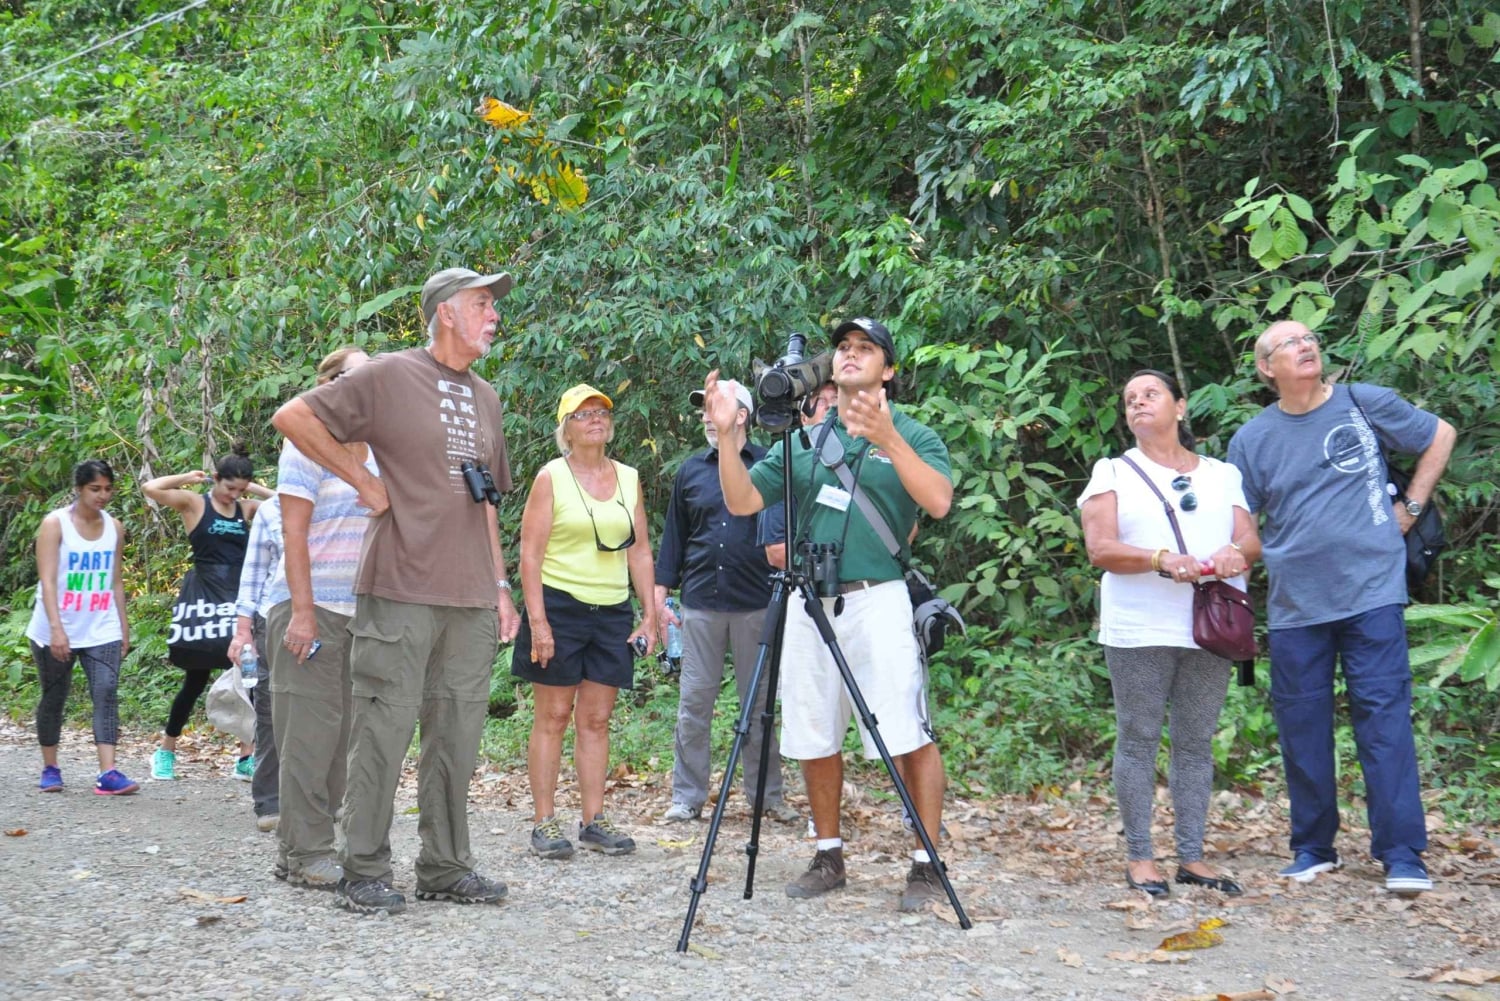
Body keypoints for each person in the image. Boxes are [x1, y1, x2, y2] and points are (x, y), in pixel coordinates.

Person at [273, 268, 521, 915]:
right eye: (482, 303)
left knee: (457, 734)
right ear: (445, 312)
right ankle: (364, 866)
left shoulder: (488, 398)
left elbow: (487, 499)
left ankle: (444, 864)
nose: (493, 314)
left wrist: (500, 585)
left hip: (467, 597)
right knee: (383, 728)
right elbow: (295, 416)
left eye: (493, 304)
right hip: (399, 586)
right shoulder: (388, 374)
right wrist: (362, 478)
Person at [705, 316, 954, 913]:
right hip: (809, 601)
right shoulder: (803, 440)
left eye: (865, 349)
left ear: (888, 370)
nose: (849, 355)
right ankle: (828, 853)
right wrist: (726, 442)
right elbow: (742, 500)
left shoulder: (916, 435)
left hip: (879, 598)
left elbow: (939, 502)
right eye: (842, 347)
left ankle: (925, 861)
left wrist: (889, 439)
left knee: (905, 729)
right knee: (815, 729)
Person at [1227, 320, 1456, 895]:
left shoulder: (1363, 403)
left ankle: (1402, 855)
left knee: (1384, 723)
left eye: (1308, 339)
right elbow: (1244, 527)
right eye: (1289, 344)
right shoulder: (1251, 440)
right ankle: (1313, 847)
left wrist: (1411, 504)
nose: (1305, 347)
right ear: (1265, 369)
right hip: (1295, 605)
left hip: (1372, 593)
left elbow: (1440, 435)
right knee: (1302, 728)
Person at [1078, 369, 1262, 897]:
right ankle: (1140, 856)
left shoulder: (1222, 473)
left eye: (1150, 394)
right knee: (1138, 738)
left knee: (1195, 742)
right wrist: (1162, 559)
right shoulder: (1112, 471)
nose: (1138, 403)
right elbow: (1101, 549)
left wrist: (1235, 553)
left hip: (1212, 626)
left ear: (1180, 407)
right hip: (1140, 628)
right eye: (1130, 399)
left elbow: (1250, 539)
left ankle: (1192, 856)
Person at [243, 347, 375, 891]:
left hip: (359, 611)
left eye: (370, 377)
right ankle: (307, 852)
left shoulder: (381, 451)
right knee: (308, 739)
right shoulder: (305, 446)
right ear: (326, 385)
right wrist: (301, 614)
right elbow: (291, 533)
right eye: (349, 377)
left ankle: (296, 847)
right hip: (307, 608)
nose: (360, 386)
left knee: (341, 738)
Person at [512, 384, 656, 860]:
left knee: (596, 719)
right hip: (559, 605)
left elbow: (639, 550)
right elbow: (529, 555)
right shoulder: (551, 477)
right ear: (566, 429)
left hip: (611, 611)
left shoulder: (630, 478)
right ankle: (544, 821)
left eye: (601, 413)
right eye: (583, 414)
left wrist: (649, 615)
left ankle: (595, 820)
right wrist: (539, 623)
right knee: (552, 717)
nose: (595, 419)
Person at [656, 379, 796, 825]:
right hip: (700, 602)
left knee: (758, 706)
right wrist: (660, 597)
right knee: (694, 703)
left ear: (742, 416)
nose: (706, 415)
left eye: (716, 406)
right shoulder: (691, 471)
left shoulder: (770, 465)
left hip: (758, 601)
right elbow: (673, 538)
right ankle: (687, 798)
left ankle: (766, 798)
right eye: (703, 409)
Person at [144, 446, 271, 782]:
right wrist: (187, 478)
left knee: (249, 676)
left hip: (239, 595)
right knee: (196, 678)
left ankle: (246, 756)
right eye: (229, 487)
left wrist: (253, 489)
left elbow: (285, 503)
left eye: (240, 489)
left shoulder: (246, 508)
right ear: (216, 479)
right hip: (204, 595)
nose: (234, 495)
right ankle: (166, 750)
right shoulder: (195, 503)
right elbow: (151, 488)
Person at [26, 459, 137, 795]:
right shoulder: (55, 524)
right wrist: (58, 630)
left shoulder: (114, 527)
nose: (102, 495)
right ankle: (50, 766)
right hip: (56, 626)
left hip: (101, 624)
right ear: (78, 489)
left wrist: (123, 625)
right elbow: (47, 582)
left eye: (107, 489)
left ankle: (108, 772)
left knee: (106, 692)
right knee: (54, 696)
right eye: (95, 489)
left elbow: (115, 580)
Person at [229, 494, 283, 831]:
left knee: (331, 711)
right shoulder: (272, 508)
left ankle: (325, 798)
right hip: (272, 617)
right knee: (270, 711)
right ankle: (270, 801)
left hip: (335, 618)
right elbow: (253, 574)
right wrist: (242, 631)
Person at [758, 379, 838, 570]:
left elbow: (906, 528)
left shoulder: (865, 454)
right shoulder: (789, 459)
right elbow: (777, 552)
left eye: (836, 399)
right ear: (804, 418)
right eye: (819, 401)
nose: (829, 406)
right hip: (812, 585)